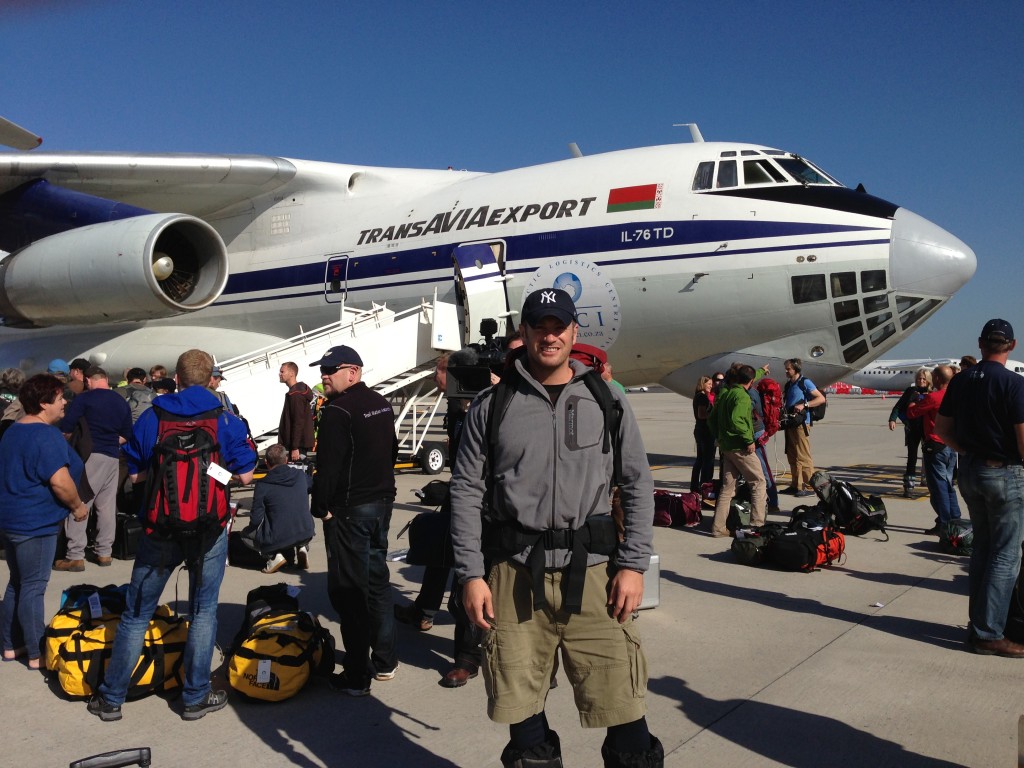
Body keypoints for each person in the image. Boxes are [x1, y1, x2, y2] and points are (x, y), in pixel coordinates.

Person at [450, 288, 662, 768]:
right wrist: (470, 574)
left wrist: (632, 565)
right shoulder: (492, 404)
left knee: (627, 716)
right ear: (523, 333)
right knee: (524, 722)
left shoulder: (605, 399)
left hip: (593, 576)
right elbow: (465, 491)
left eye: (558, 326)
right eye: (539, 326)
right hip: (513, 577)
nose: (550, 335)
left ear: (573, 331)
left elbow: (636, 482)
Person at [87, 349, 257, 721]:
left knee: (136, 614)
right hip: (209, 529)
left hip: (159, 529)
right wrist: (213, 476)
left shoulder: (153, 417)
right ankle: (195, 696)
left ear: (176, 379)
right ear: (211, 379)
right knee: (202, 611)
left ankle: (111, 698)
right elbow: (244, 477)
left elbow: (136, 476)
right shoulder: (226, 420)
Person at [309, 345, 399, 696]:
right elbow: (390, 451)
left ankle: (358, 674)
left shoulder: (338, 410)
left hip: (351, 510)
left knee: (350, 593)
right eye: (322, 369)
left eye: (331, 369)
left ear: (353, 371)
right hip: (381, 504)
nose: (324, 375)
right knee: (376, 581)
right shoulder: (381, 402)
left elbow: (327, 468)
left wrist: (321, 507)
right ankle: (386, 661)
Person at [936, 319, 1024, 658]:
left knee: (983, 550)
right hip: (1003, 473)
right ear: (1011, 346)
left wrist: (966, 451)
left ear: (980, 344)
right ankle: (989, 633)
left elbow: (943, 428)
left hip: (971, 470)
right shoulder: (1014, 383)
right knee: (1006, 554)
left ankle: (978, 627)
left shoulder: (960, 381)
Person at [394, 353, 483, 687]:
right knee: (436, 553)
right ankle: (423, 612)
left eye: (440, 372)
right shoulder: (455, 408)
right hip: (459, 496)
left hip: (481, 505)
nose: (435, 377)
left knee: (467, 579)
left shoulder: (484, 407)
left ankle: (467, 657)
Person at [0, 375, 88, 669]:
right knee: (33, 587)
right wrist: (77, 506)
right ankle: (38, 652)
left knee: (18, 583)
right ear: (43, 403)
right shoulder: (45, 435)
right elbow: (61, 482)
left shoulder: (13, 430)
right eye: (59, 398)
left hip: (11, 519)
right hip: (34, 522)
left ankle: (12, 644)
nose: (64, 402)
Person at [55, 366, 133, 571]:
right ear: (106, 379)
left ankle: (75, 555)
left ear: (88, 380)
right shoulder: (120, 401)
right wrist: (110, 442)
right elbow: (127, 434)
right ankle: (104, 553)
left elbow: (67, 428)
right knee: (106, 506)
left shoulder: (84, 399)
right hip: (113, 456)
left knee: (79, 501)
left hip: (90, 455)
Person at [231, 443, 314, 573]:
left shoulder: (263, 485)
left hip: (278, 536)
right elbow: (311, 486)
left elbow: (256, 520)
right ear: (286, 460)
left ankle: (272, 556)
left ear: (266, 462)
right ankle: (302, 546)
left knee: (246, 535)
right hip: (306, 530)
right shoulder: (300, 476)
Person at [709, 365, 767, 537]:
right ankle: (757, 526)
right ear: (750, 382)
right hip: (741, 447)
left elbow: (711, 419)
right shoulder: (742, 396)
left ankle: (718, 527)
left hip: (726, 447)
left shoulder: (725, 394)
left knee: (727, 488)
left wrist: (719, 436)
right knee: (758, 483)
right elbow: (737, 420)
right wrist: (748, 440)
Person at [907, 365, 961, 536]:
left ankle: (945, 524)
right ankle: (955, 519)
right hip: (952, 446)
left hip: (936, 445)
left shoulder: (934, 397)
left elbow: (912, 413)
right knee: (948, 484)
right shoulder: (956, 396)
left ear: (937, 379)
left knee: (938, 488)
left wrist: (913, 401)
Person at [782, 358, 825, 497]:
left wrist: (804, 405)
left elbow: (820, 399)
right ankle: (796, 484)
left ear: (796, 369)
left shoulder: (804, 382)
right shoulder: (789, 385)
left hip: (801, 424)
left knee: (803, 456)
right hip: (790, 423)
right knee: (792, 455)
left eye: (788, 369)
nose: (786, 371)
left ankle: (810, 486)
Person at [888, 368, 931, 498]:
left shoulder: (932, 393)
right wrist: (892, 419)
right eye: (919, 378)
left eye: (924, 379)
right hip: (912, 428)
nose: (921, 381)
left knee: (929, 457)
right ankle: (909, 486)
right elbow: (898, 406)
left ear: (928, 380)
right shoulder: (910, 391)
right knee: (912, 458)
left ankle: (928, 480)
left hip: (928, 429)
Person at [277, 361, 315, 462]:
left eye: (282, 371)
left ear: (291, 374)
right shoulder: (295, 392)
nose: (279, 374)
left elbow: (298, 422)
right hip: (298, 445)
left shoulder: (296, 395)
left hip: (298, 447)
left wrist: (295, 447)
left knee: (297, 474)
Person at [690, 376, 716, 493]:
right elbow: (701, 414)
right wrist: (714, 415)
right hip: (705, 430)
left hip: (699, 430)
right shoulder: (702, 397)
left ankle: (695, 486)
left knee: (700, 459)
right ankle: (704, 485)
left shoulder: (698, 396)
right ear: (703, 384)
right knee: (707, 460)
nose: (711, 386)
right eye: (709, 384)